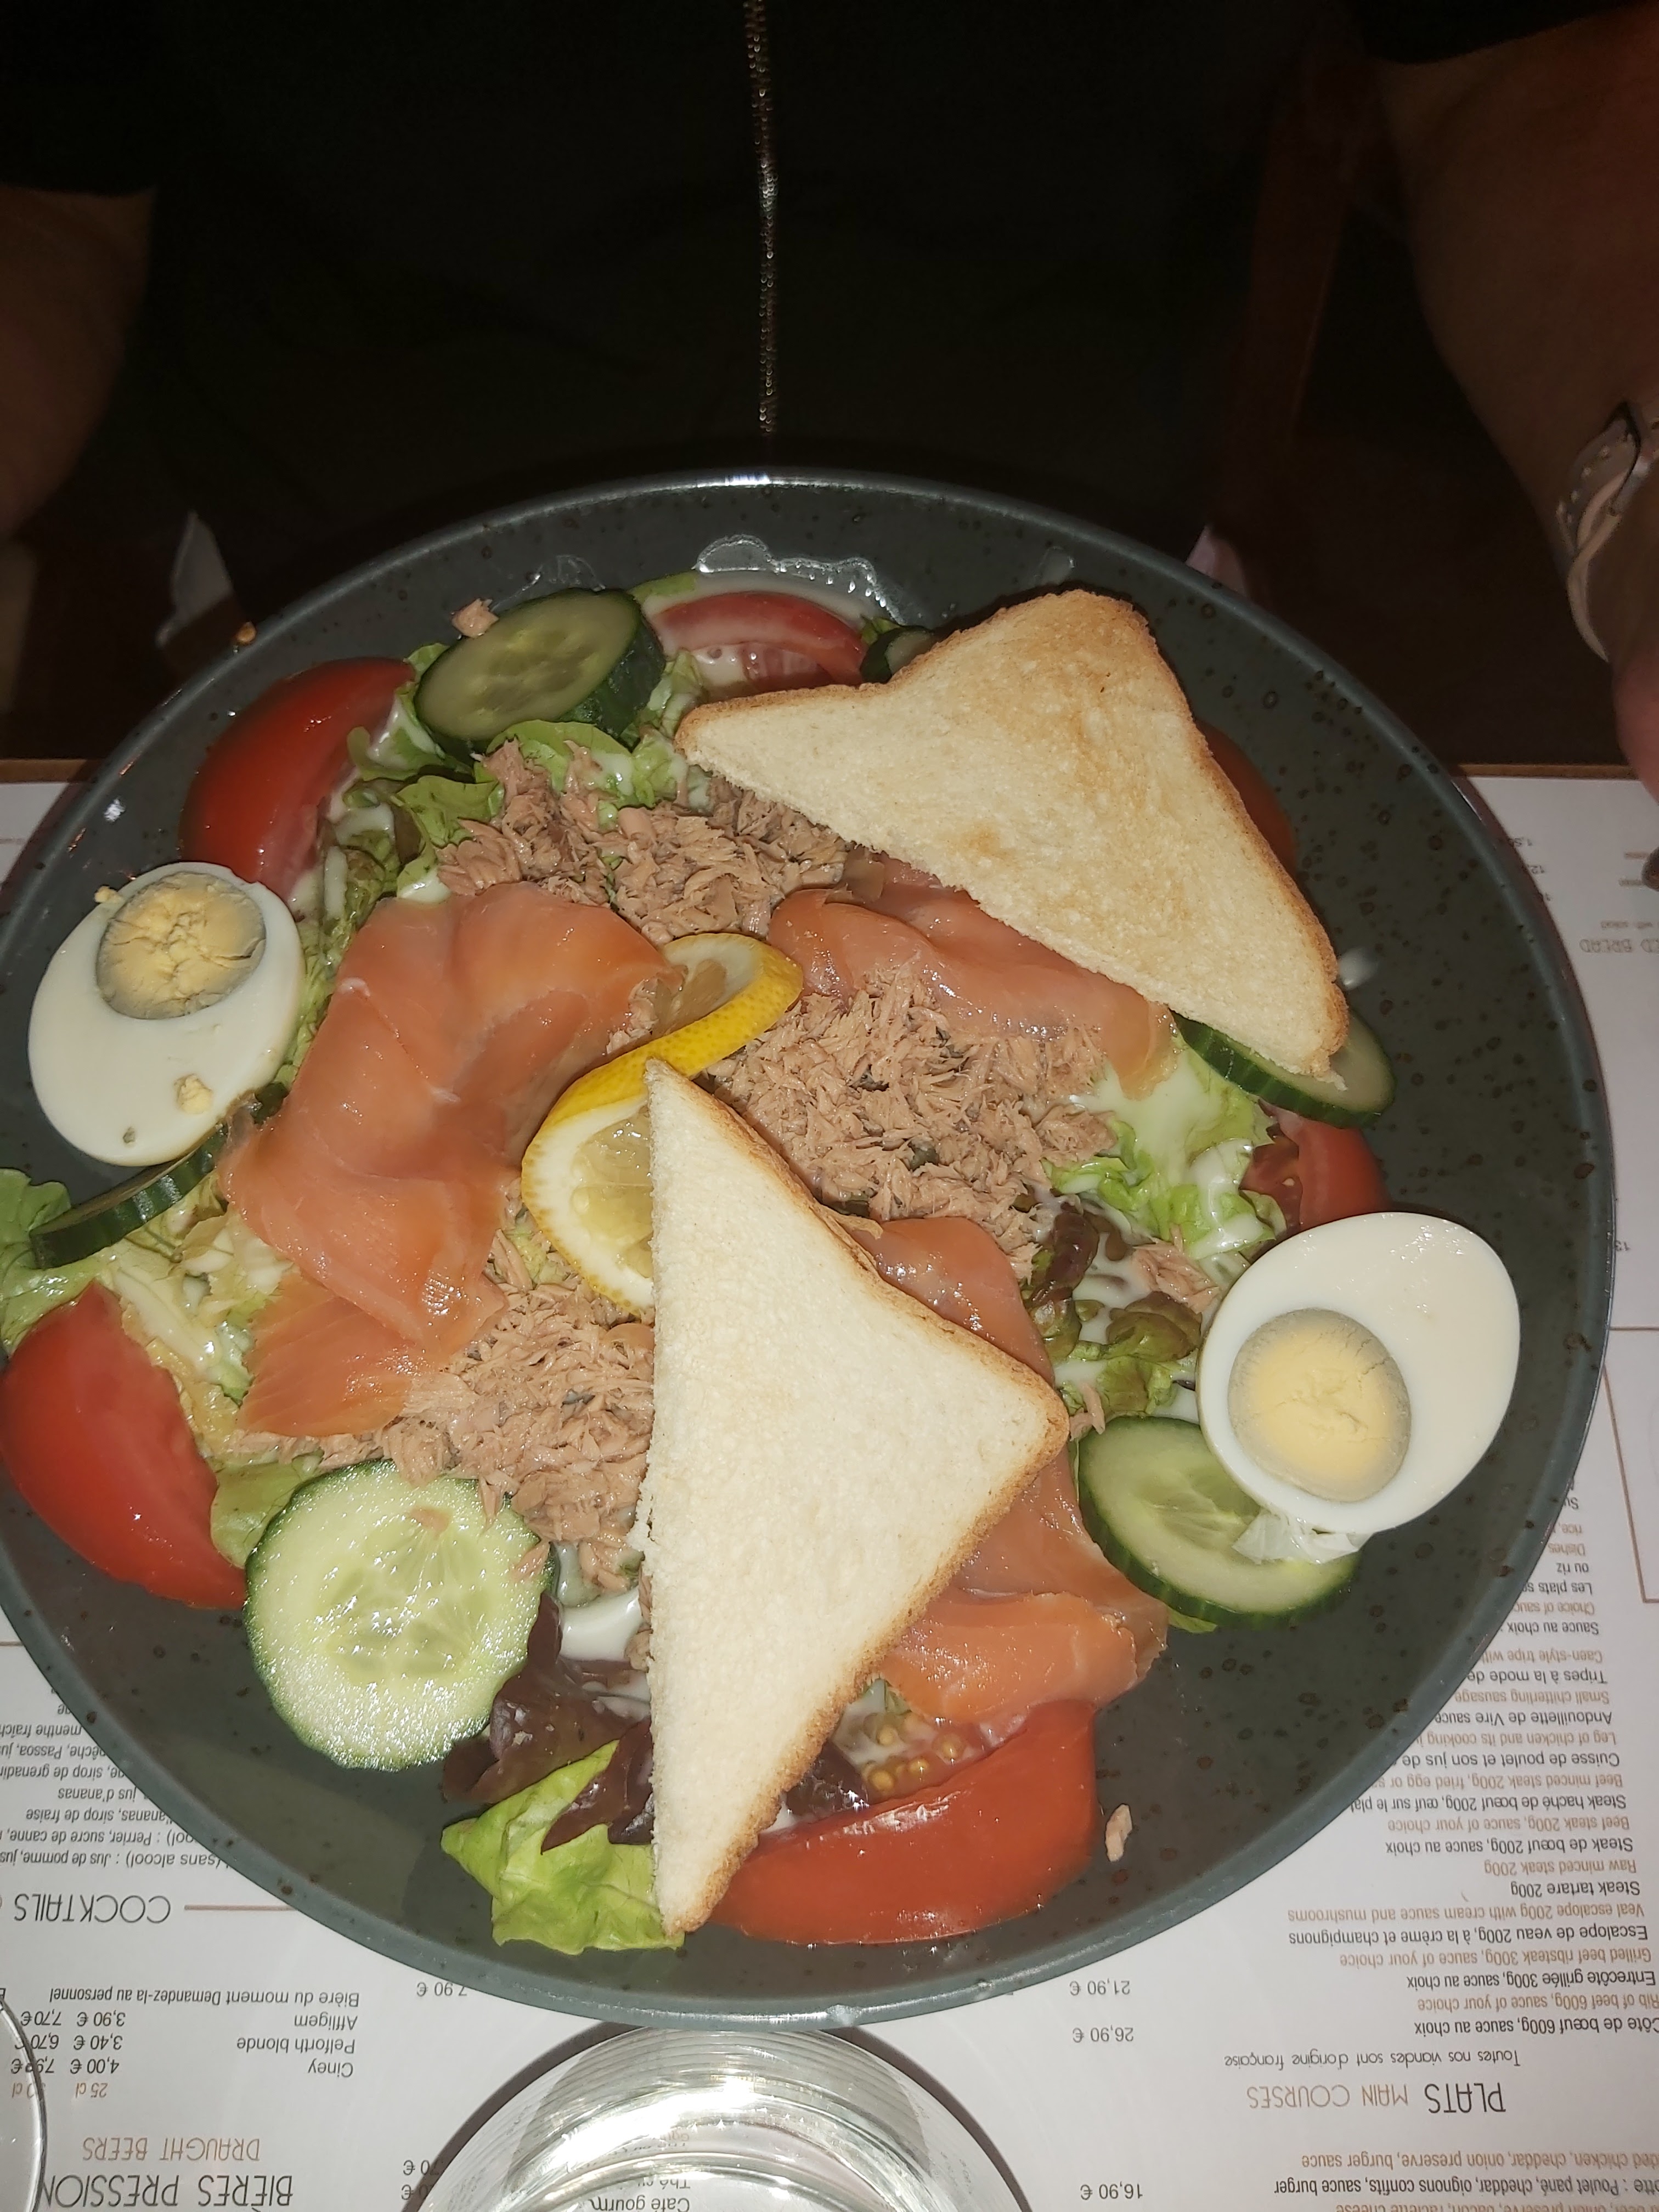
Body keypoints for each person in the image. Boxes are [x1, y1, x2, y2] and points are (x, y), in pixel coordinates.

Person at [2, 1, 1657, 802]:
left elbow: (1532, 53)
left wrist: (1643, 499)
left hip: (1084, 603)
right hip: (341, 624)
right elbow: (49, 192)